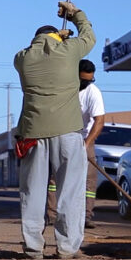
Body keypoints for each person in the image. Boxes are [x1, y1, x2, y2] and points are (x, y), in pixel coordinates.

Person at [13, 1, 96, 259]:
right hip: (68, 132)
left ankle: (33, 247)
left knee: (33, 192)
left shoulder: (22, 59)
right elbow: (89, 36)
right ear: (56, 36)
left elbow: (37, 48)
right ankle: (68, 247)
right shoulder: (69, 51)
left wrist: (54, 38)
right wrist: (73, 15)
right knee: (70, 191)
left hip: (33, 133)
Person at [46, 59, 105, 228]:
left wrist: (86, 144)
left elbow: (99, 121)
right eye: (83, 80)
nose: (86, 83)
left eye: (89, 80)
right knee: (54, 179)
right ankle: (52, 215)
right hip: (61, 137)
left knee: (89, 181)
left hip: (83, 138)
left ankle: (85, 216)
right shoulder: (61, 89)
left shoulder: (93, 92)